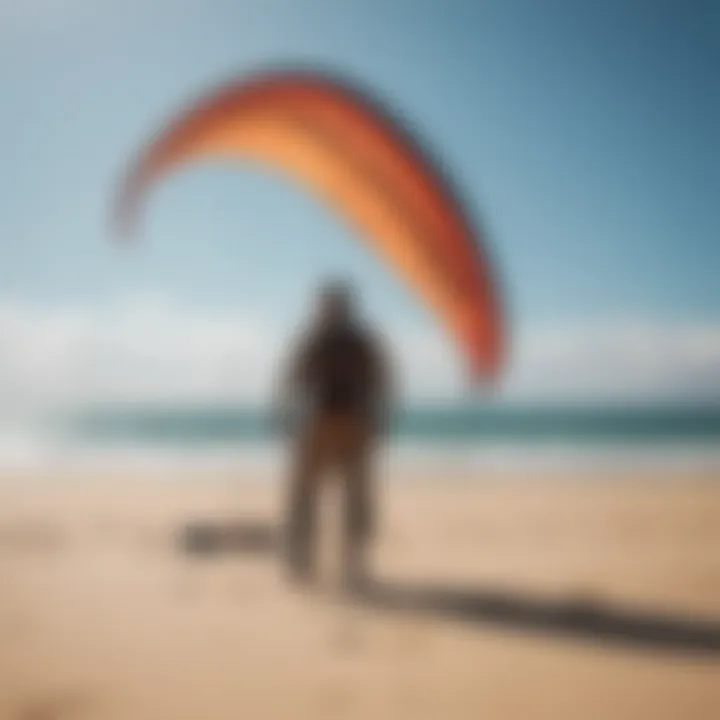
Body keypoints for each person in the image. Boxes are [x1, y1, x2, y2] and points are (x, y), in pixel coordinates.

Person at [273, 280, 393, 590]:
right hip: (319, 424)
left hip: (350, 425)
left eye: (333, 304)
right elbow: (291, 380)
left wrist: (377, 421)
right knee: (304, 497)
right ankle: (302, 562)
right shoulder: (314, 340)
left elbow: (380, 383)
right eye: (326, 304)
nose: (329, 310)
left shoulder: (360, 343)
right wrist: (285, 418)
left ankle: (352, 564)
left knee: (354, 499)